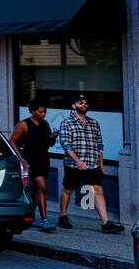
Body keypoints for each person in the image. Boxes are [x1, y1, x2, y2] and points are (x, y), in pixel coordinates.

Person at [56, 94, 125, 233]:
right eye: (80, 102)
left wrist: (101, 164)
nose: (84, 105)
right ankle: (63, 216)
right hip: (73, 164)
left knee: (98, 190)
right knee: (68, 190)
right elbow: (66, 144)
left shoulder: (94, 123)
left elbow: (99, 145)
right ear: (73, 106)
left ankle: (105, 224)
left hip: (93, 163)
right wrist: (78, 161)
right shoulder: (66, 123)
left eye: (86, 103)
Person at [10, 97, 56, 232]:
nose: (43, 114)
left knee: (37, 190)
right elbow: (12, 141)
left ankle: (31, 216)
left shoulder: (45, 124)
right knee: (43, 188)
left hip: (43, 159)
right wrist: (21, 158)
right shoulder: (23, 124)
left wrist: (53, 138)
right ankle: (45, 220)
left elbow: (48, 143)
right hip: (31, 159)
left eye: (45, 112)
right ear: (33, 111)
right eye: (41, 112)